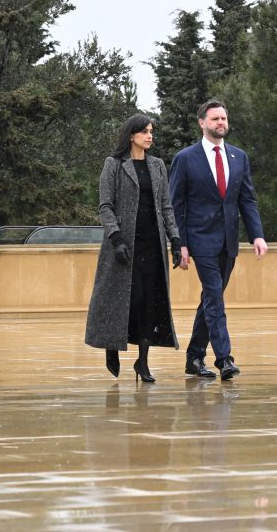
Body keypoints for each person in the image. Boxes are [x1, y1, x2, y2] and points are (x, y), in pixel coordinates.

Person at [169, 99, 268, 381]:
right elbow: (176, 205)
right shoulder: (185, 158)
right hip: (199, 240)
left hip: (229, 240)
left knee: (211, 299)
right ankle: (224, 359)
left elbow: (247, 199)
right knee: (214, 297)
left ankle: (194, 357)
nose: (220, 122)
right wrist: (180, 244)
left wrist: (257, 234)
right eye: (215, 119)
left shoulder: (239, 156)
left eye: (223, 118)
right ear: (202, 123)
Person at [86, 114, 181, 382]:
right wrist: (116, 238)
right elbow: (105, 205)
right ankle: (111, 346)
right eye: (145, 132)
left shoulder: (157, 165)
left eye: (151, 131)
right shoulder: (114, 165)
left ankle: (143, 362)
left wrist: (175, 239)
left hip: (153, 245)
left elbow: (166, 206)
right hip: (123, 246)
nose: (150, 136)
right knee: (123, 300)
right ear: (131, 135)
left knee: (149, 302)